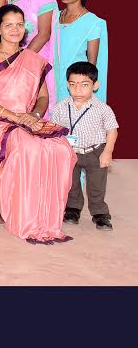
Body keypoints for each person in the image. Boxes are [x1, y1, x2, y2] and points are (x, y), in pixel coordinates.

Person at [0, 4, 76, 244]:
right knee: (28, 148)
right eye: (9, 25)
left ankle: (47, 219)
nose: (15, 29)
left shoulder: (33, 59)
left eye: (19, 25)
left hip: (28, 119)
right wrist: (15, 117)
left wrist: (35, 116)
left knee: (60, 148)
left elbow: (43, 98)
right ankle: (25, 219)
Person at [52, 62, 118, 231]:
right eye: (73, 85)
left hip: (95, 152)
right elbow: (55, 129)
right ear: (67, 85)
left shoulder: (102, 109)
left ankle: (100, 213)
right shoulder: (61, 107)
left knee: (96, 185)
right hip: (70, 152)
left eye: (84, 85)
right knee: (71, 182)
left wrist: (108, 152)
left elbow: (112, 130)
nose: (78, 90)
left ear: (95, 85)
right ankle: (73, 209)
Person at [8, 0, 59, 107]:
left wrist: (21, 60)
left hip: (35, 57)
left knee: (35, 104)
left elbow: (44, 34)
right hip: (8, 56)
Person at [56, 0, 108, 103]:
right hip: (51, 78)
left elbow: (91, 64)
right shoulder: (54, 17)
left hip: (74, 82)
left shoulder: (92, 22)